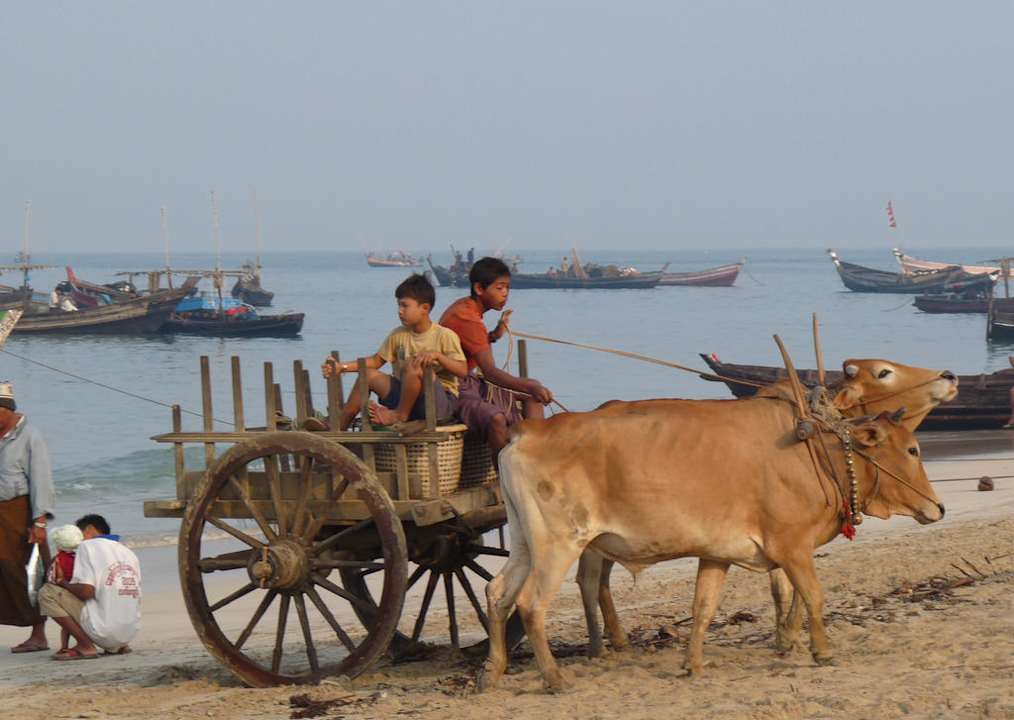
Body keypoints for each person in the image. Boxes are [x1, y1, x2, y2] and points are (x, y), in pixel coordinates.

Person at [440, 257, 554, 453]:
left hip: (468, 380)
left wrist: (493, 335)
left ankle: (534, 453)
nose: (505, 293)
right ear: (479, 288)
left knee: (531, 392)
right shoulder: (468, 318)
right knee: (509, 407)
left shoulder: (465, 306)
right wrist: (530, 386)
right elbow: (490, 373)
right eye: (500, 288)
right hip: (453, 387)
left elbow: (470, 343)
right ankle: (508, 468)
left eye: (507, 288)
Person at [322, 274, 467, 429]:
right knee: (368, 375)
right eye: (398, 305)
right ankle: (340, 426)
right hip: (408, 401)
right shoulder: (398, 334)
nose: (400, 311)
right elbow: (375, 361)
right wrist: (341, 367)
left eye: (405, 306)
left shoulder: (444, 335)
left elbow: (463, 370)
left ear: (424, 308)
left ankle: (399, 415)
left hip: (438, 405)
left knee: (414, 364)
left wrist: (437, 356)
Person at [37, 514, 141, 660]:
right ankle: (119, 646)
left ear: (89, 529)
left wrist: (62, 582)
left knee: (47, 592)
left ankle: (85, 646)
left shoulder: (87, 546)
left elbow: (87, 592)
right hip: (127, 632)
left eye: (78, 533)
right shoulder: (127, 552)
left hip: (105, 631)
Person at [0, 382, 55, 654]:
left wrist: (39, 522)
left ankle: (38, 634)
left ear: (7, 410)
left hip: (19, 513)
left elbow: (41, 481)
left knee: (27, 572)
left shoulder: (30, 436)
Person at [47, 524, 83, 656]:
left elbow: (53, 578)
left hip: (65, 592)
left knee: (66, 625)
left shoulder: (57, 559)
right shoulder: (80, 557)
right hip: (78, 590)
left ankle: (64, 646)